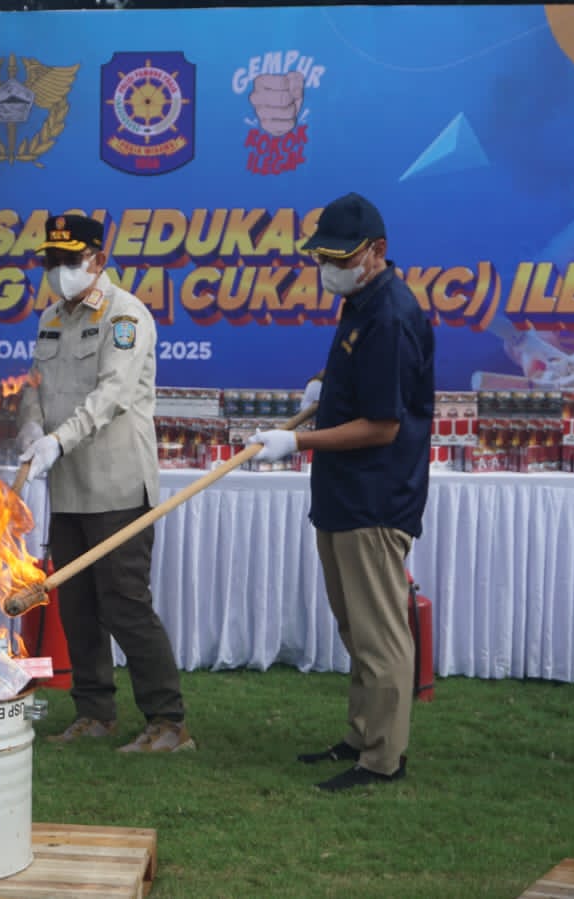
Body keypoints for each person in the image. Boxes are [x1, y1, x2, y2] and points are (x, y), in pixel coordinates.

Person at [248, 192, 435, 791]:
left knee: (380, 636)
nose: (326, 267)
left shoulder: (390, 314)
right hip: (344, 496)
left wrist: (297, 443)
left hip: (375, 500)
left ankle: (383, 759)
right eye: (321, 256)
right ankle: (360, 735)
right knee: (356, 628)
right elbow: (360, 381)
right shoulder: (362, 301)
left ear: (376, 252)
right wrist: (321, 389)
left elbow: (383, 424)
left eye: (339, 256)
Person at [16, 213, 192, 754]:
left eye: (70, 261)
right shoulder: (49, 319)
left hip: (116, 486)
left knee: (124, 603)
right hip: (67, 488)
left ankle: (168, 722)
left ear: (97, 260)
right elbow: (34, 390)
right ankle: (95, 712)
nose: (60, 271)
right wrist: (31, 437)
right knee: (76, 606)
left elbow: (111, 396)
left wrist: (58, 441)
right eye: (52, 261)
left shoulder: (125, 316)